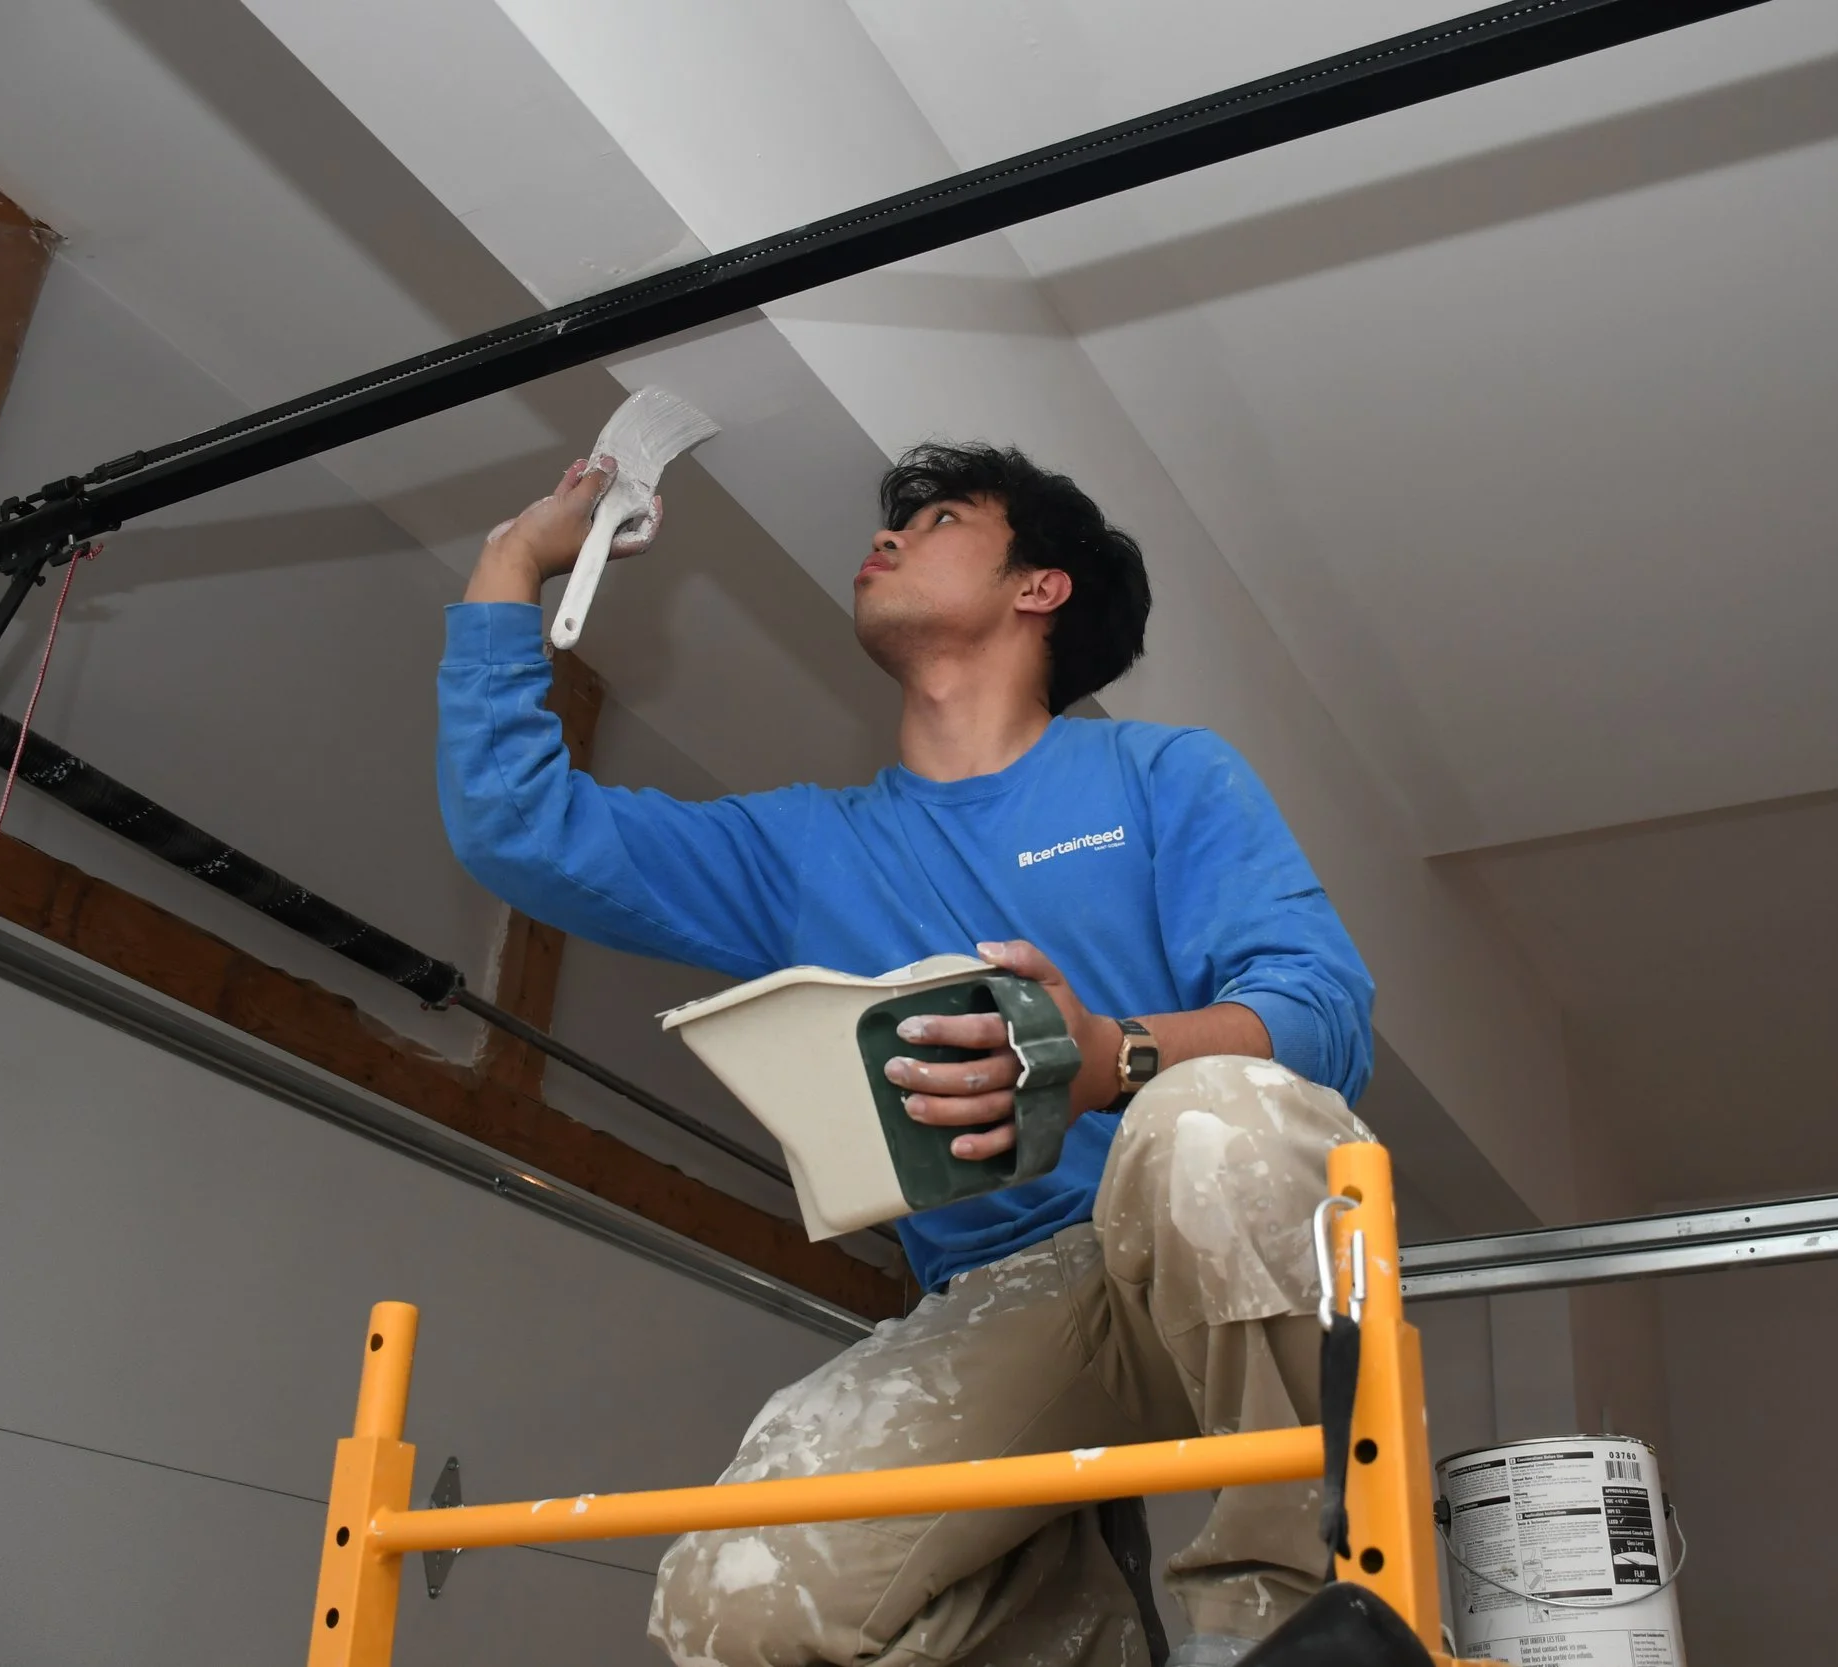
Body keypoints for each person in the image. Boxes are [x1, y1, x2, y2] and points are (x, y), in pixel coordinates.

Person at [438, 441, 1378, 1667]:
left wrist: (1104, 1058)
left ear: (1038, 587)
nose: (883, 537)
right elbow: (523, 828)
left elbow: (1321, 1015)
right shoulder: (808, 847)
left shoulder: (1161, 774)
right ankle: (1075, 1623)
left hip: (1213, 1231)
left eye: (936, 518)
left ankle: (1280, 1617)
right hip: (1015, 1294)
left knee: (1216, 1116)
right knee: (739, 1598)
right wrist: (515, 557)